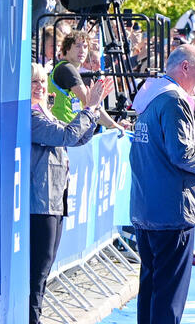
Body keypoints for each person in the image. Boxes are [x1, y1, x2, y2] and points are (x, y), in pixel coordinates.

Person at [129, 44, 195, 324]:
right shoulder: (174, 101)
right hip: (171, 212)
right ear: (186, 67)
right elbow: (183, 154)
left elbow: (167, 152)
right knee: (167, 297)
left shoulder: (150, 96)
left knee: (151, 290)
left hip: (147, 209)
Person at [29, 63, 113, 324]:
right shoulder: (31, 116)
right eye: (34, 82)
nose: (41, 87)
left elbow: (78, 138)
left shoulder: (45, 112)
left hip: (54, 198)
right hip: (39, 201)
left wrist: (94, 109)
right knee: (38, 269)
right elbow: (66, 135)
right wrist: (89, 108)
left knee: (45, 265)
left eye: (43, 81)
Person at [49, 29, 126, 133]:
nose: (82, 51)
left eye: (85, 47)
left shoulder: (68, 67)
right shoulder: (67, 68)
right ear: (67, 49)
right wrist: (113, 125)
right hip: (64, 134)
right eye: (77, 46)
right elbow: (90, 103)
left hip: (67, 132)